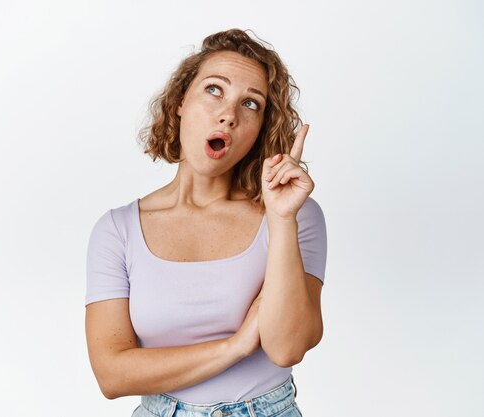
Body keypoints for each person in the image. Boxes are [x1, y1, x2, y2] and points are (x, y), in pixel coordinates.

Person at [84, 28, 327, 417]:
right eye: (214, 90)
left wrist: (282, 219)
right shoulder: (118, 230)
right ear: (181, 101)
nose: (228, 114)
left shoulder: (294, 214)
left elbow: (286, 347)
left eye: (250, 104)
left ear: (260, 129)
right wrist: (235, 346)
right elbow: (111, 375)